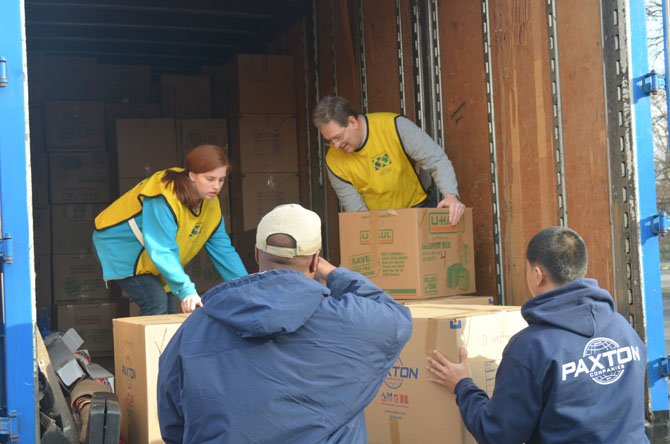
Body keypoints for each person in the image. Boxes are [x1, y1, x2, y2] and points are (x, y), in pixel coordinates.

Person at [157, 203, 413, 443]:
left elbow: (172, 423)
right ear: (315, 261)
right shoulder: (350, 319)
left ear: (256, 254)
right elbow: (397, 316)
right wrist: (332, 273)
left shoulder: (196, 327)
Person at [426, 226, 649, 444]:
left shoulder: (530, 347)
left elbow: (498, 434)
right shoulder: (624, 329)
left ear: (537, 274)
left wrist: (462, 385)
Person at [92, 145, 247, 315]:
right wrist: (187, 290)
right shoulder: (165, 195)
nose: (216, 186)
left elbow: (224, 251)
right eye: (210, 179)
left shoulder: (211, 205)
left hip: (150, 254)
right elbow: (162, 248)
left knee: (169, 310)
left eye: (221, 180)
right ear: (192, 175)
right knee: (156, 302)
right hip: (119, 247)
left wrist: (247, 288)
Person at [312, 95, 466, 225]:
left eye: (338, 137)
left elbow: (436, 160)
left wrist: (451, 196)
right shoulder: (333, 160)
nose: (336, 145)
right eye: (330, 141)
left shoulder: (394, 126)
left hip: (418, 211)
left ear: (352, 122)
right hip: (378, 222)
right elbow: (357, 213)